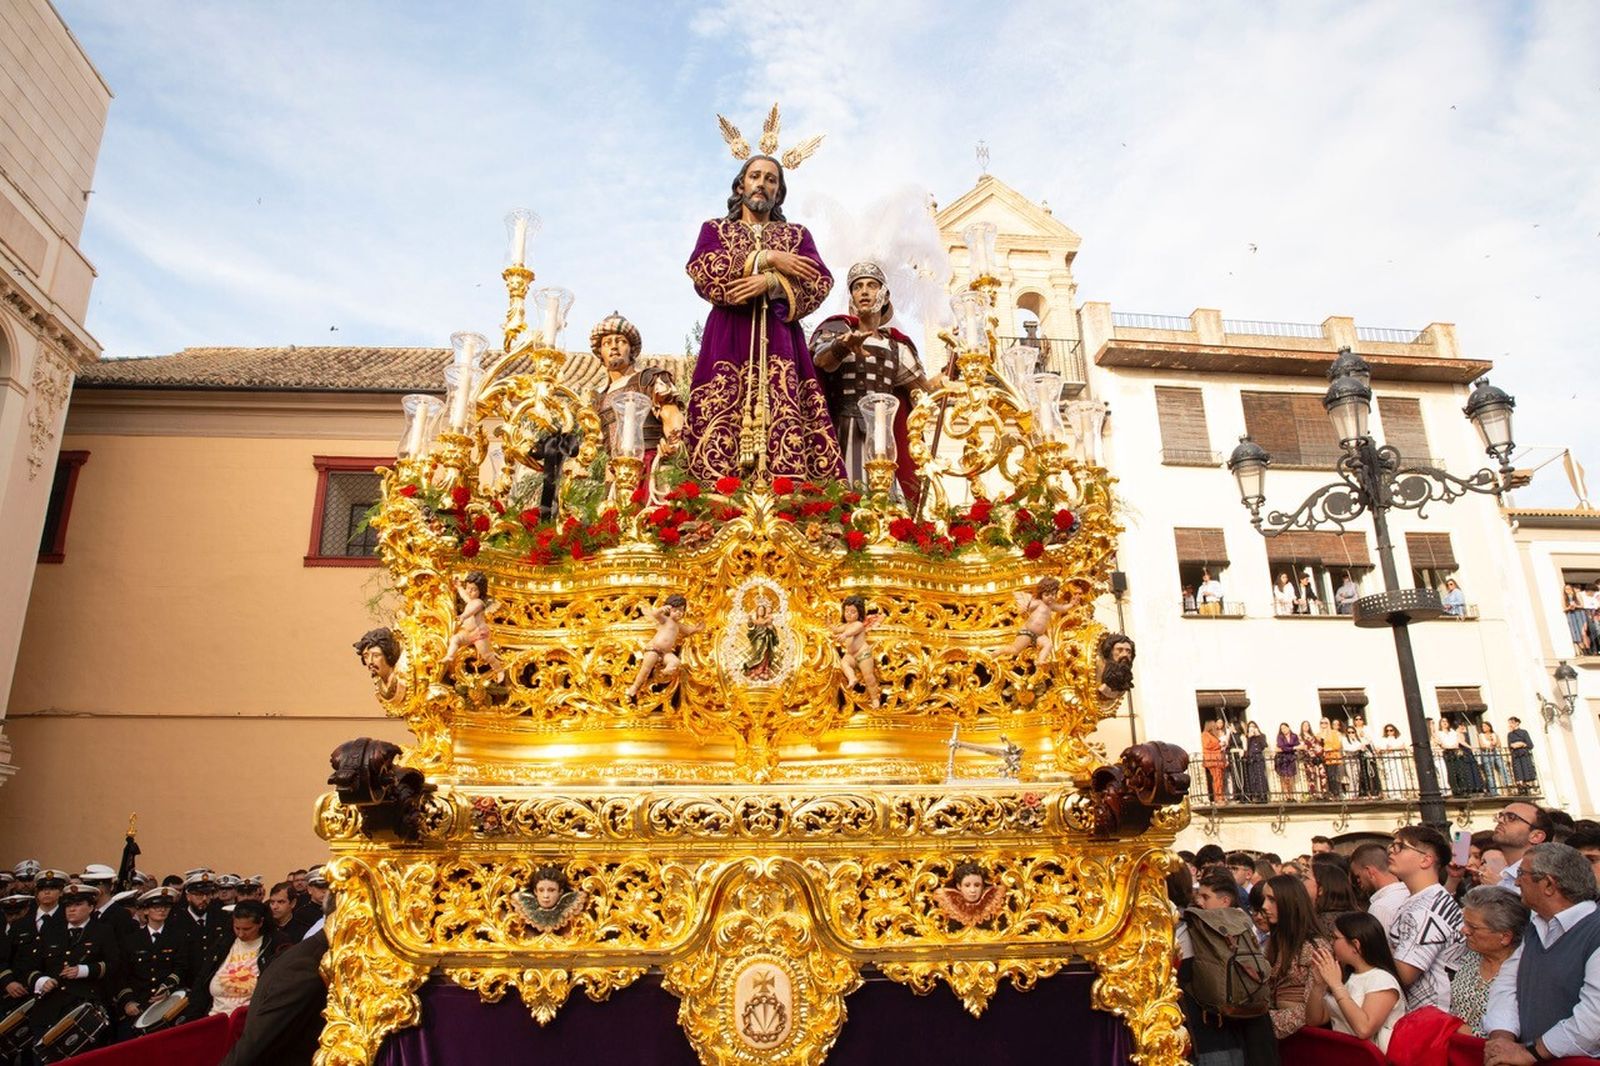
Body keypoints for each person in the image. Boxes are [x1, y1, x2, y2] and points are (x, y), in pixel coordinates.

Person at [683, 152, 843, 482]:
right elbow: (702, 268)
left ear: (779, 192)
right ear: (741, 185)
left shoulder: (797, 237)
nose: (762, 184)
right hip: (727, 340)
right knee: (719, 418)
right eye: (755, 176)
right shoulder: (715, 230)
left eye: (771, 179)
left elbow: (821, 280)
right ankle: (716, 499)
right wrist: (765, 257)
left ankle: (792, 497)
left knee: (787, 416)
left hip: (782, 344)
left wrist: (771, 282)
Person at [809, 261, 939, 503]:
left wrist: (945, 380)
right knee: (844, 497)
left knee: (888, 502)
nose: (864, 291)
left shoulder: (897, 346)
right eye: (857, 287)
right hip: (842, 430)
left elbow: (921, 392)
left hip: (884, 435)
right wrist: (843, 346)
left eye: (871, 285)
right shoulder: (836, 330)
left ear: (884, 295)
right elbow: (820, 360)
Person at [1483, 843, 1600, 1063]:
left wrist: (1530, 1053)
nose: (1516, 882)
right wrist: (1502, 1040)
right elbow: (1507, 986)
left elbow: (1594, 1020)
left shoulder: (1595, 931)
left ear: (1548, 884)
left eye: (1521, 874)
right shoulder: (1535, 928)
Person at [1175, 865, 1279, 1065]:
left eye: (1206, 897)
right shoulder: (1246, 925)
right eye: (1199, 896)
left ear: (1225, 901)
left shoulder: (1198, 931)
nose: (1199, 901)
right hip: (1251, 1028)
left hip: (1219, 1034)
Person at [1385, 825, 1469, 1012]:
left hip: (1433, 1017)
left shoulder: (1426, 908)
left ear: (1426, 860)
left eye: (1400, 847)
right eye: (1392, 845)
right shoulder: (1424, 900)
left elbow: (1405, 973)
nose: (1391, 850)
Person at [589, 311, 683, 474]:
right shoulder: (600, 399)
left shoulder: (649, 379)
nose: (614, 347)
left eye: (621, 341)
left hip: (649, 465)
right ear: (600, 353)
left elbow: (671, 415)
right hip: (614, 474)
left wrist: (673, 443)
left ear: (631, 350)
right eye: (607, 343)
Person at [1304, 911, 1406, 1052]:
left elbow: (1364, 1029)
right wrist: (1318, 985)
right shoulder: (1346, 976)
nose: (1331, 943)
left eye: (1335, 938)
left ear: (1356, 945)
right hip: (1343, 1056)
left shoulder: (1382, 979)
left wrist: (1336, 985)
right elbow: (1314, 1020)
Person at [115, 886, 192, 1039]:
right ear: (145, 911)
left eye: (166, 907)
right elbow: (121, 974)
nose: (162, 910)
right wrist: (128, 1001)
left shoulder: (178, 937)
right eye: (156, 907)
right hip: (138, 1003)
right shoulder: (131, 940)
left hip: (167, 1003)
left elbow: (181, 967)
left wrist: (167, 987)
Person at [1450, 885, 1528, 1037]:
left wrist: (1464, 1033)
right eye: (1464, 922)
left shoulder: (1523, 974)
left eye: (1472, 927)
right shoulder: (1470, 956)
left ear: (1505, 937)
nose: (1463, 930)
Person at [1261, 873, 1326, 1038]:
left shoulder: (1314, 946)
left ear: (1290, 902)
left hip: (1307, 1038)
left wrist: (1264, 1021)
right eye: (1264, 899)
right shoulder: (1275, 942)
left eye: (1272, 900)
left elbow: (1314, 1010)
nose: (1264, 906)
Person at [205, 899, 274, 1016]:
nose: (241, 934)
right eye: (237, 928)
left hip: (250, 1020)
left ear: (261, 922)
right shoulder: (223, 944)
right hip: (215, 1017)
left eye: (247, 929)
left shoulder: (274, 946)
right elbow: (203, 979)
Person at [626, 594, 702, 700]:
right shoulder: (665, 620)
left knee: (676, 662)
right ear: (669, 610)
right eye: (676, 610)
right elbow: (655, 614)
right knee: (645, 669)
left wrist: (698, 628)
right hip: (654, 649)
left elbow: (689, 631)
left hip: (666, 653)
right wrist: (661, 609)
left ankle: (664, 672)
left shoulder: (679, 626)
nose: (679, 613)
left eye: (681, 610)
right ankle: (634, 687)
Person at [993, 577, 1073, 668]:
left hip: (1039, 635)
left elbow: (1062, 609)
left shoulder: (1052, 606)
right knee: (1015, 650)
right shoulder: (1038, 603)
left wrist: (1071, 604)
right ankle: (998, 652)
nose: (1050, 598)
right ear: (1041, 594)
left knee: (1048, 644)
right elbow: (1027, 607)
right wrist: (1023, 608)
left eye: (1053, 594)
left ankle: (1040, 661)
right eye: (1047, 595)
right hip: (1028, 632)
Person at [446, 571, 505, 681]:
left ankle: (499, 670)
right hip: (468, 633)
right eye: (468, 588)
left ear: (480, 591)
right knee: (455, 639)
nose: (469, 591)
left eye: (474, 590)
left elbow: (471, 612)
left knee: (487, 656)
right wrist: (459, 587)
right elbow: (464, 596)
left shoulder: (479, 603)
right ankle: (449, 656)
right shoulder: (470, 600)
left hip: (479, 634)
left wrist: (463, 616)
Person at [831, 595, 881, 709]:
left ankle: (874, 698)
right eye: (847, 611)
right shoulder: (845, 625)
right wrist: (830, 626)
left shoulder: (858, 624)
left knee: (868, 677)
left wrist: (844, 635)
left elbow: (852, 632)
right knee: (844, 663)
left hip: (862, 654)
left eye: (853, 612)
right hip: (851, 655)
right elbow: (836, 630)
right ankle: (852, 678)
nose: (849, 614)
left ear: (859, 613)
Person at [1352, 841, 1409, 932]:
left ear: (1369, 872)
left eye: (1358, 876)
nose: (1358, 881)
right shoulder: (1413, 893)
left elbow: (1381, 946)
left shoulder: (1380, 908)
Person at [1493, 802, 1553, 889]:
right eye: (1500, 816)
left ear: (1536, 836)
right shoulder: (1503, 880)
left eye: (1511, 817)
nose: (1500, 820)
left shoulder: (1541, 881)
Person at [1506, 717, 1537, 794]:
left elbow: (1530, 745)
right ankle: (1521, 786)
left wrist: (1522, 744)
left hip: (1524, 754)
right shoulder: (1510, 734)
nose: (1510, 725)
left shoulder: (1524, 732)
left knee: (1526, 769)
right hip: (1516, 755)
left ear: (1517, 723)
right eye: (1509, 723)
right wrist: (1514, 745)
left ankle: (1528, 786)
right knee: (1518, 771)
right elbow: (1510, 745)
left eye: (1512, 722)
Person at [1480, 719, 1509, 796]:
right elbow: (1482, 746)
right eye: (1482, 726)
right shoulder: (1481, 735)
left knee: (1502, 768)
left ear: (1489, 727)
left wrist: (1495, 744)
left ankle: (1508, 786)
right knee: (1489, 772)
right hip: (1486, 754)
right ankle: (1493, 791)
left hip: (1495, 753)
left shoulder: (1494, 734)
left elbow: (1499, 744)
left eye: (1485, 726)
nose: (1483, 727)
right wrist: (1489, 746)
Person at [1243, 721, 1270, 804]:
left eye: (1254, 726)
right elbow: (1245, 747)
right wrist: (1249, 737)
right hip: (1251, 757)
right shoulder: (1246, 737)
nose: (1252, 728)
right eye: (1250, 727)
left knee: (1260, 775)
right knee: (1252, 776)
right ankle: (1255, 795)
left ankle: (1263, 795)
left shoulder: (1261, 736)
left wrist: (1258, 735)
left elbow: (1264, 745)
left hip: (1258, 756)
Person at [1201, 719, 1227, 804]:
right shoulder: (1205, 735)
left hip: (1217, 760)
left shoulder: (1213, 735)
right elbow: (1207, 745)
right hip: (1212, 759)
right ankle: (1218, 797)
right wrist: (1219, 744)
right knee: (1217, 779)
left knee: (1219, 778)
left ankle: (1221, 796)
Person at [1564, 582, 1593, 655]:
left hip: (1579, 613)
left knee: (1583, 632)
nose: (1568, 590)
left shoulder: (1577, 595)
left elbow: (1582, 605)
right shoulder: (1565, 598)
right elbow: (1564, 608)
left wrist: (1576, 606)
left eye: (1569, 588)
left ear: (1572, 589)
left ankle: (1588, 648)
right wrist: (1569, 608)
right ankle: (1584, 651)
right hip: (1571, 615)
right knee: (1576, 634)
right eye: (1566, 589)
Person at [1299, 720, 1326, 798]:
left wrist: (1319, 751)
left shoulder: (1313, 736)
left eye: (1308, 725)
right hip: (1308, 758)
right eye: (1304, 725)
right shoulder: (1300, 736)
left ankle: (1323, 792)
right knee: (1311, 776)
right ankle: (1313, 793)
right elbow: (1303, 747)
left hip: (1317, 757)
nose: (1306, 727)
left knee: (1322, 773)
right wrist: (1311, 751)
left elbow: (1318, 745)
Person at [1321, 717, 1345, 798]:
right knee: (1326, 776)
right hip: (1323, 758)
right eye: (1322, 723)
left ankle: (1336, 793)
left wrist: (1329, 748)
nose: (1323, 725)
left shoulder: (1333, 733)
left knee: (1333, 775)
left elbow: (1338, 745)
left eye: (1325, 723)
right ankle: (1330, 793)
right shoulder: (1318, 734)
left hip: (1332, 757)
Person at [1274, 723, 1300, 798]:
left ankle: (1291, 796)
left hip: (1291, 758)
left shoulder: (1294, 736)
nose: (1283, 730)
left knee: (1290, 777)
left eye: (1285, 728)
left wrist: (1293, 748)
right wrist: (1293, 748)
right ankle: (1287, 796)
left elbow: (1297, 744)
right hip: (1282, 758)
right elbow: (1282, 747)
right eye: (1282, 728)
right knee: (1284, 778)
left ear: (1288, 727)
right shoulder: (1280, 737)